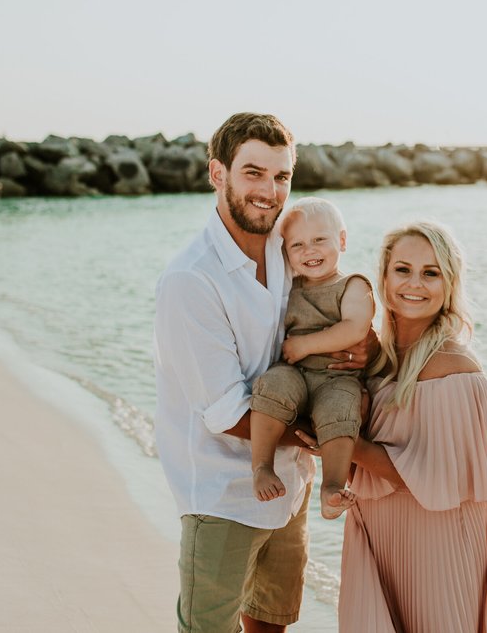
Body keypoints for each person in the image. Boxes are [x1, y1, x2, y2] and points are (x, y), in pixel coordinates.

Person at [153, 113, 367, 633]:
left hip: (290, 486)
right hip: (223, 493)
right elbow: (225, 412)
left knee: (271, 624)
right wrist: (325, 439)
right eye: (253, 173)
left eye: (282, 176)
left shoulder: (289, 246)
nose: (270, 192)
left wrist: (359, 349)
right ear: (217, 174)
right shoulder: (190, 279)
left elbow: (334, 306)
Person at [332, 222, 487, 632]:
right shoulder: (375, 358)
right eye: (403, 269)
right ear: (383, 276)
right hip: (380, 535)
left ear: (449, 284)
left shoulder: (456, 371)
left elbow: (430, 477)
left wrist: (346, 444)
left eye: (431, 273)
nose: (415, 283)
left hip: (439, 544)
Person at [249, 196, 375, 520]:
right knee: (271, 386)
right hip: (294, 372)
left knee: (341, 409)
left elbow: (355, 328)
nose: (309, 251)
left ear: (342, 240)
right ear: (285, 253)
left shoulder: (353, 285)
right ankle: (262, 466)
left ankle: (331, 486)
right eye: (297, 245)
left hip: (336, 377)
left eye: (320, 240)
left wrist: (304, 345)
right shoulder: (288, 285)